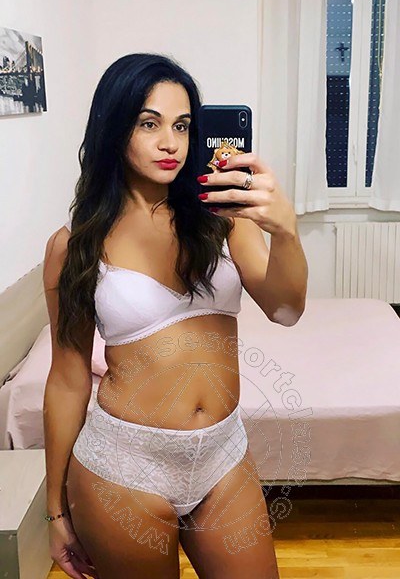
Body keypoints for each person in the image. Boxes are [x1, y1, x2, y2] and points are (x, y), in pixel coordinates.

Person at [42, 52, 308, 579]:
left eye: (182, 126)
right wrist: (55, 511)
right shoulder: (75, 246)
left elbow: (285, 309)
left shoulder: (221, 216)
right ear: (114, 128)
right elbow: (68, 378)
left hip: (222, 456)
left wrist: (285, 231)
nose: (171, 143)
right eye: (150, 123)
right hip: (123, 465)